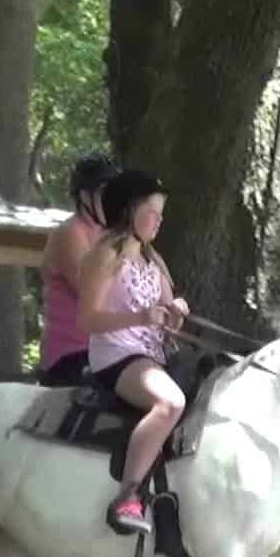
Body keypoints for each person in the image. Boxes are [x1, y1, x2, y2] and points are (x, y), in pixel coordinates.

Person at [79, 170, 189, 535]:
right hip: (116, 355)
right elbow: (88, 319)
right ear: (128, 212)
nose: (159, 221)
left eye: (161, 214)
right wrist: (140, 317)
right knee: (170, 403)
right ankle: (126, 498)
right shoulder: (105, 255)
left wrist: (175, 314)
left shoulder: (153, 262)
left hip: (152, 356)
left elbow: (169, 322)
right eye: (151, 212)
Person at [39, 153, 122, 386]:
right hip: (72, 354)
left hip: (108, 351)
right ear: (85, 196)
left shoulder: (112, 237)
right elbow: (93, 292)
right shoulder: (70, 233)